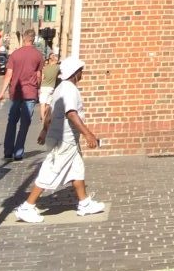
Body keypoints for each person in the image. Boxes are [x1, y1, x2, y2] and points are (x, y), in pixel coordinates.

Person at [14, 56, 105, 222]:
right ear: (75, 73)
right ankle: (27, 206)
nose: (82, 74)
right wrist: (88, 134)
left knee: (77, 169)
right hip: (64, 139)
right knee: (52, 170)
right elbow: (71, 113)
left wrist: (44, 130)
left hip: (64, 138)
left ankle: (84, 203)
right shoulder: (69, 89)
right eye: (81, 71)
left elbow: (49, 110)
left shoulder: (60, 88)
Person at [0, 26, 44, 162]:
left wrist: (2, 92)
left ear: (23, 39)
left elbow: (8, 74)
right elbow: (39, 75)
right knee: (25, 123)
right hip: (30, 92)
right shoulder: (38, 55)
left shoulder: (15, 54)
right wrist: (38, 87)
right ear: (33, 39)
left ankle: (8, 151)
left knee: (12, 122)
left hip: (16, 92)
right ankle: (18, 152)